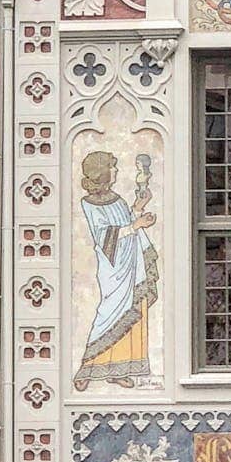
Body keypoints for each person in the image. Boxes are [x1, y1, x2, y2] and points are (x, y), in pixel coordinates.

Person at [73, 151, 158, 391]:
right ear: (101, 173)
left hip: (131, 262)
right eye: (112, 167)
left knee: (134, 311)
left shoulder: (117, 199)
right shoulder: (89, 204)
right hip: (114, 268)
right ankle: (88, 367)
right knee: (109, 313)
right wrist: (136, 224)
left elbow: (125, 222)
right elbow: (104, 236)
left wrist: (138, 208)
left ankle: (120, 369)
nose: (117, 171)